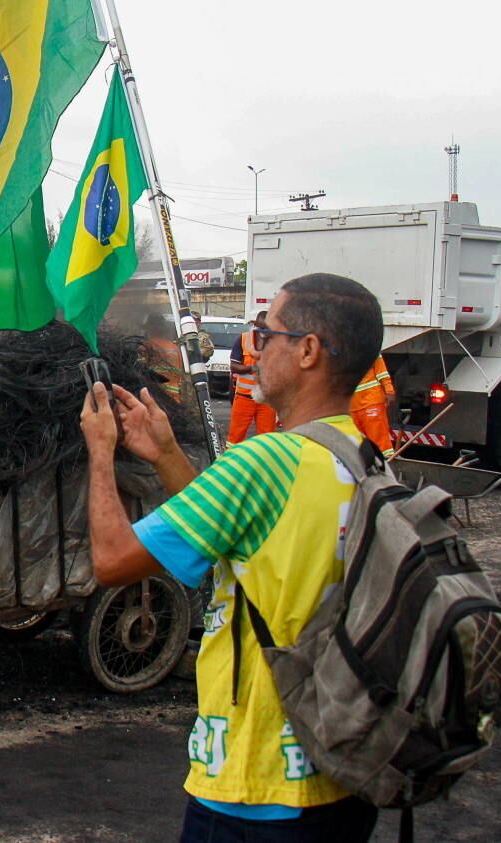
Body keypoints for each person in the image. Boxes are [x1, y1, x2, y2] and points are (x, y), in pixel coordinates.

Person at [80, 273, 384, 842]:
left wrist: (100, 452)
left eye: (266, 334)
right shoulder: (362, 456)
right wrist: (166, 452)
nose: (253, 349)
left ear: (309, 351)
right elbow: (238, 540)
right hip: (343, 767)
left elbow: (114, 560)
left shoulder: (265, 462)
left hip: (255, 783)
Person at [140, 313, 214, 407]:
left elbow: (140, 370)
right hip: (176, 396)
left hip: (156, 396)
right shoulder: (176, 346)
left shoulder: (146, 346)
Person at [227, 311, 278, 445]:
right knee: (235, 437)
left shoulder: (277, 343)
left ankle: (265, 464)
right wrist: (254, 368)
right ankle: (232, 463)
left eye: (267, 328)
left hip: (267, 400)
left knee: (267, 440)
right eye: (261, 328)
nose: (264, 332)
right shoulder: (243, 339)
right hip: (244, 398)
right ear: (255, 325)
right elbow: (234, 367)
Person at [350, 354, 396, 457]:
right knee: (358, 443)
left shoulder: (370, 347)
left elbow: (382, 372)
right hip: (353, 406)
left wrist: (389, 390)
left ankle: (386, 466)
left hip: (371, 401)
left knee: (379, 441)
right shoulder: (344, 351)